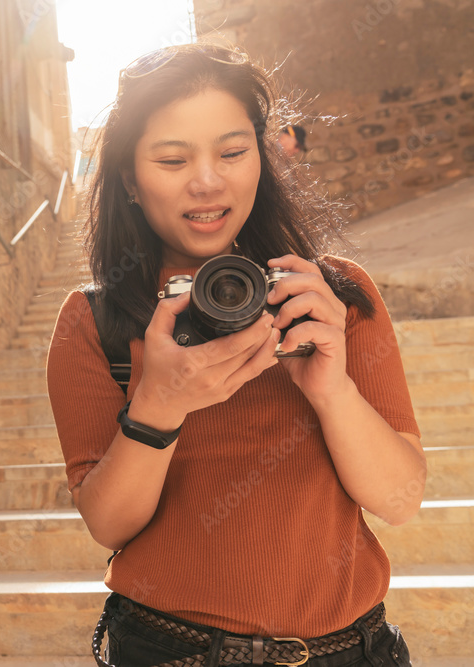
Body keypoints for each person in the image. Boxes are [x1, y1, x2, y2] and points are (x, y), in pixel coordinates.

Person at [46, 42, 423, 667]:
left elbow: (402, 500)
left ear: (261, 159)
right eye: (171, 159)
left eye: (232, 152)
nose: (207, 180)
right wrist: (159, 406)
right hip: (173, 651)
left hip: (353, 650)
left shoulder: (331, 296)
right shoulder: (97, 322)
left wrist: (332, 390)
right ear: (129, 181)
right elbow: (109, 526)